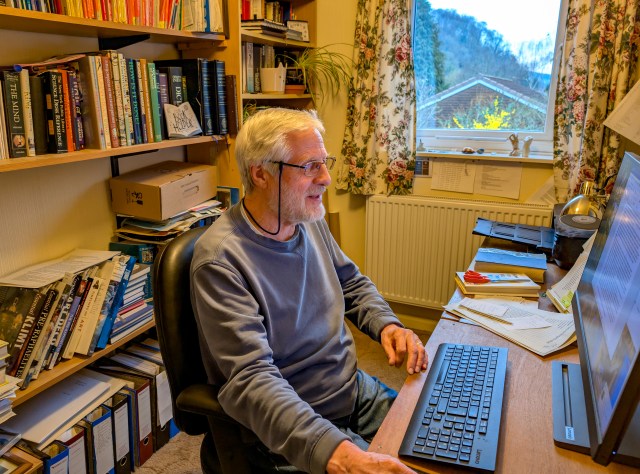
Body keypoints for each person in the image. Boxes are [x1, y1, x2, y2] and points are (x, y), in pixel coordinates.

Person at [191, 108, 428, 474]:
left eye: (324, 163)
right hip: (293, 424)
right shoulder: (220, 261)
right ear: (261, 174)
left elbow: (350, 282)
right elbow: (252, 379)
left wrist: (388, 325)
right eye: (310, 167)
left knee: (439, 443)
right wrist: (342, 455)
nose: (326, 179)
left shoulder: (304, 218)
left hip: (351, 389)